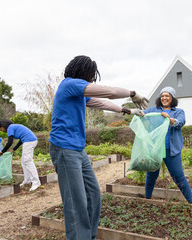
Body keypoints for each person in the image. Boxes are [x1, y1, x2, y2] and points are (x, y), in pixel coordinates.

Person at [49, 55, 147, 240]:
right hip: (63, 149)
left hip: (78, 149)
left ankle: (89, 236)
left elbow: (101, 102)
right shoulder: (69, 84)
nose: (93, 79)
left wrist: (127, 110)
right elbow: (107, 92)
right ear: (82, 72)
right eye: (91, 75)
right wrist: (132, 93)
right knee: (75, 202)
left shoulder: (79, 94)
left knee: (93, 195)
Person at [143, 86, 192, 204]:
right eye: (162, 96)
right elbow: (143, 115)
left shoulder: (178, 112)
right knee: (151, 175)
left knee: (178, 176)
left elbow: (179, 122)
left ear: (172, 98)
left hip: (171, 150)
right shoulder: (153, 110)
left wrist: (170, 119)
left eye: (167, 96)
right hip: (155, 149)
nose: (164, 98)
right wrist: (136, 112)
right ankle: (147, 199)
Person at [0, 120, 41, 191]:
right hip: (28, 141)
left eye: (0, 129)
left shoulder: (10, 128)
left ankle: (36, 182)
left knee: (28, 161)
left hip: (29, 141)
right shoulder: (14, 127)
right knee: (23, 162)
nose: (1, 131)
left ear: (2, 126)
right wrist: (14, 149)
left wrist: (2, 151)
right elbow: (21, 140)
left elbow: (9, 142)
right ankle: (27, 181)